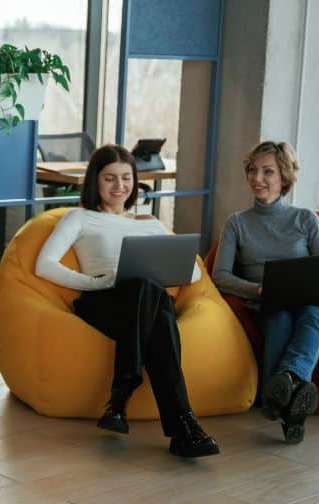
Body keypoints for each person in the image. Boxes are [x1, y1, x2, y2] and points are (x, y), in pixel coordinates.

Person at [35, 144, 220, 458]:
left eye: (126, 178)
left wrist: (160, 268)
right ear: (95, 181)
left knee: (151, 294)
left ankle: (125, 397)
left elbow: (193, 273)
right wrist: (94, 282)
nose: (119, 186)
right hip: (102, 302)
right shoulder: (79, 218)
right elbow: (44, 264)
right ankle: (183, 424)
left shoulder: (149, 223)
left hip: (143, 306)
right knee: (154, 301)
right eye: (110, 178)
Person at [212, 141, 319, 444]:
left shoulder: (305, 219)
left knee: (312, 315)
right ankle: (293, 409)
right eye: (253, 170)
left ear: (284, 177)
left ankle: (283, 384)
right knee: (279, 319)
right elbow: (219, 276)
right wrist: (257, 289)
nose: (257, 178)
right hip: (270, 301)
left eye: (267, 171)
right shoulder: (237, 223)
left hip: (316, 302)